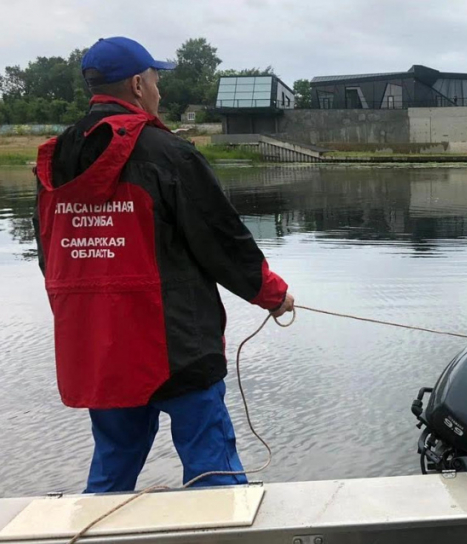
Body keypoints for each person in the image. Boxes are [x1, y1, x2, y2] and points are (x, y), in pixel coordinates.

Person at [32, 36, 294, 493]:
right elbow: (222, 240)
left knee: (113, 468)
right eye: (155, 80)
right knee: (213, 469)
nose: (159, 92)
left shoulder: (56, 160)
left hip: (100, 345)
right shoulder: (169, 154)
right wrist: (273, 295)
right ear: (136, 84)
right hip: (177, 345)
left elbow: (49, 256)